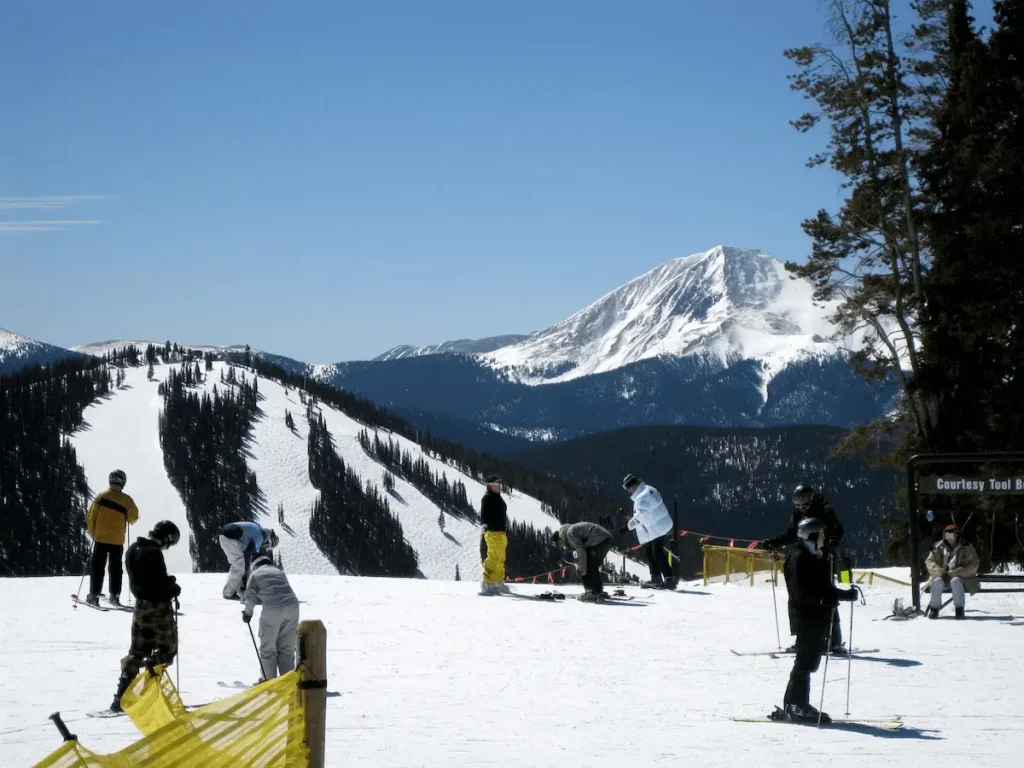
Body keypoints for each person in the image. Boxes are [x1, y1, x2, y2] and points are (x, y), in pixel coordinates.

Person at [777, 517, 858, 724]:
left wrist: (842, 595)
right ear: (812, 536)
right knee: (805, 661)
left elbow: (824, 588)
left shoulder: (817, 556)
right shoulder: (798, 559)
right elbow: (801, 594)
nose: (824, 538)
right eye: (821, 534)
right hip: (805, 617)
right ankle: (795, 705)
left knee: (810, 660)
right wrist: (827, 599)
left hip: (817, 616)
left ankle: (798, 704)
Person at [761, 484, 846, 653]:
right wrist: (774, 542)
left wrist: (828, 549)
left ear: (811, 499)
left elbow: (837, 531)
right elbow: (793, 534)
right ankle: (805, 639)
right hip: (805, 556)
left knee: (825, 595)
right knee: (800, 598)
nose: (801, 508)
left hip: (822, 557)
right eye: (798, 504)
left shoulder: (824, 510)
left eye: (803, 504)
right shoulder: (798, 512)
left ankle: (833, 640)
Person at [110, 521, 182, 712]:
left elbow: (145, 579)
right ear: (166, 538)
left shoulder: (133, 549)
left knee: (137, 650)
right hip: (157, 607)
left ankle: (121, 695)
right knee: (167, 649)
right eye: (171, 542)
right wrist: (172, 588)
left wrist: (167, 581)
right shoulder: (153, 553)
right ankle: (151, 688)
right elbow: (156, 586)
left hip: (140, 607)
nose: (169, 546)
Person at [85, 469, 140, 607]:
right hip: (117, 540)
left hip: (100, 538)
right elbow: (133, 517)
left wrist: (93, 534)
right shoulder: (127, 500)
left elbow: (91, 517)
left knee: (97, 567)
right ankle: (114, 595)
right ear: (122, 482)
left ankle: (94, 595)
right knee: (115, 568)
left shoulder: (101, 497)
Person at [243, 554, 301, 680]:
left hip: (273, 609)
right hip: (293, 607)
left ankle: (268, 681)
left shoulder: (255, 574)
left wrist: (247, 613)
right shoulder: (279, 571)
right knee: (287, 648)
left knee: (268, 649)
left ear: (254, 565)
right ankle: (287, 682)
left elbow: (250, 596)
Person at [622, 474, 676, 590]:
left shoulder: (641, 497)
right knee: (649, 551)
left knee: (657, 552)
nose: (629, 492)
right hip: (658, 526)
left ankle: (669, 579)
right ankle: (656, 577)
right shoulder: (649, 489)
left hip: (657, 528)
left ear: (631, 486)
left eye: (628, 489)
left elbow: (640, 516)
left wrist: (627, 527)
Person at [923, 525, 980, 620]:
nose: (949, 539)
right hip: (942, 576)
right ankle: (934, 608)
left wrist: (957, 572)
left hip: (962, 578)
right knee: (937, 582)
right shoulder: (938, 547)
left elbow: (974, 565)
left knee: (955, 581)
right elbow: (930, 561)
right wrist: (940, 571)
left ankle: (959, 609)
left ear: (957, 536)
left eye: (952, 536)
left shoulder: (966, 547)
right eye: (947, 536)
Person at [552, 522, 613, 601]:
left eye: (560, 544)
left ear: (560, 538)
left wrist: (582, 570)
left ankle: (590, 592)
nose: (562, 546)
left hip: (599, 540)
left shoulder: (570, 534)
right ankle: (598, 591)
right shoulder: (570, 532)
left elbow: (581, 551)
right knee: (593, 566)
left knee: (588, 566)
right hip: (605, 539)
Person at [219, 521, 279, 600]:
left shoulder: (258, 530)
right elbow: (249, 556)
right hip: (230, 540)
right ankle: (229, 593)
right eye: (268, 545)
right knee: (239, 567)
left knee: (241, 566)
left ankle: (235, 589)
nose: (265, 547)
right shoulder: (259, 538)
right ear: (269, 540)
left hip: (229, 537)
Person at [479, 476, 510, 595]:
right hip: (492, 532)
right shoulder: (487, 498)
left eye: (499, 484)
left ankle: (498, 582)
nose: (499, 486)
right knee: (493, 557)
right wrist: (485, 525)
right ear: (490, 485)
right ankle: (487, 583)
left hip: (501, 532)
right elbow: (484, 514)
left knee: (501, 558)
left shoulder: (498, 497)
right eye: (497, 484)